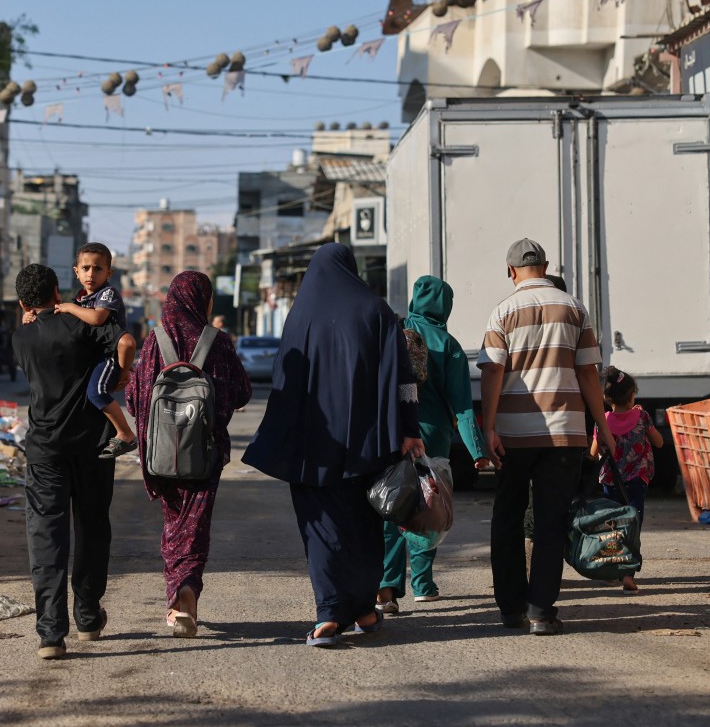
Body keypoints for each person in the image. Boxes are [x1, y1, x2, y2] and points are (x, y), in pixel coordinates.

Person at [243, 243, 425, 648]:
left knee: (322, 528)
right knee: (364, 525)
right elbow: (404, 377)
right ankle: (362, 608)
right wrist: (409, 428)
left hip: (312, 445)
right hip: (368, 444)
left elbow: (283, 380)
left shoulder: (300, 315)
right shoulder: (376, 310)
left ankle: (329, 614)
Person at [477, 238, 614, 636]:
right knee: (552, 521)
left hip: (514, 434)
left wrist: (488, 427)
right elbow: (590, 373)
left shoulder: (502, 312)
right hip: (565, 433)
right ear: (547, 266)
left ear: (511, 271)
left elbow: (491, 372)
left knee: (507, 517)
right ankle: (540, 611)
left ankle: (510, 609)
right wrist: (602, 429)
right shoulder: (575, 308)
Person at [11, 263, 136, 660]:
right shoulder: (85, 326)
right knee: (92, 528)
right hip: (93, 446)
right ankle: (87, 617)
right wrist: (122, 374)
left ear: (22, 303)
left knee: (46, 536)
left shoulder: (21, 337)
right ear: (57, 292)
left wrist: (30, 316)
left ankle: (50, 633)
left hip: (45, 450)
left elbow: (34, 333)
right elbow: (125, 340)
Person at [125, 271, 251, 638]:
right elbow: (241, 393)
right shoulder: (218, 342)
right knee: (194, 526)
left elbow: (133, 399)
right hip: (204, 453)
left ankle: (177, 599)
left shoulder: (153, 342)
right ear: (204, 301)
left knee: (172, 524)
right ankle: (187, 594)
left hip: (160, 455)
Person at [377, 275, 489, 613]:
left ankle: (387, 589)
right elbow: (463, 407)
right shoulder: (450, 346)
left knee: (393, 505)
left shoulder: (395, 332)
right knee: (427, 507)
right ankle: (423, 584)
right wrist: (478, 452)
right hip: (434, 439)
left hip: (394, 435)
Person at [31, 242, 136, 460]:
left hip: (109, 356)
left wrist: (69, 307)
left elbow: (97, 318)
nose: (91, 274)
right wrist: (31, 316)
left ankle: (125, 433)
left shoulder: (108, 294)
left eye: (98, 269)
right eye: (86, 268)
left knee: (97, 393)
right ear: (76, 272)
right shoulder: (81, 298)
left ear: (109, 272)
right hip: (94, 358)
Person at [589, 366, 663, 592]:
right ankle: (628, 575)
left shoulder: (602, 421)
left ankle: (612, 572)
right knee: (632, 525)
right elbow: (659, 442)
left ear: (607, 398)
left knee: (612, 525)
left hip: (611, 483)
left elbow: (592, 455)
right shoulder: (642, 417)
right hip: (637, 482)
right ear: (632, 396)